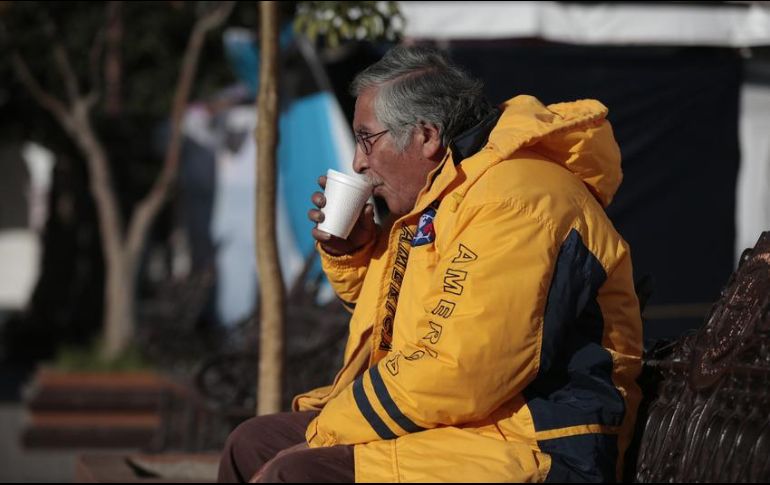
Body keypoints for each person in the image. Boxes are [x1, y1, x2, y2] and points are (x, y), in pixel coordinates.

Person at [218, 45, 642, 483]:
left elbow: (463, 370)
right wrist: (356, 254)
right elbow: (407, 325)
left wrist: (328, 431)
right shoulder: (450, 194)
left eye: (366, 139)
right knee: (251, 444)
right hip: (463, 427)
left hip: (538, 444)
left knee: (295, 472)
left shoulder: (517, 199)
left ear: (426, 135)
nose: (357, 162)